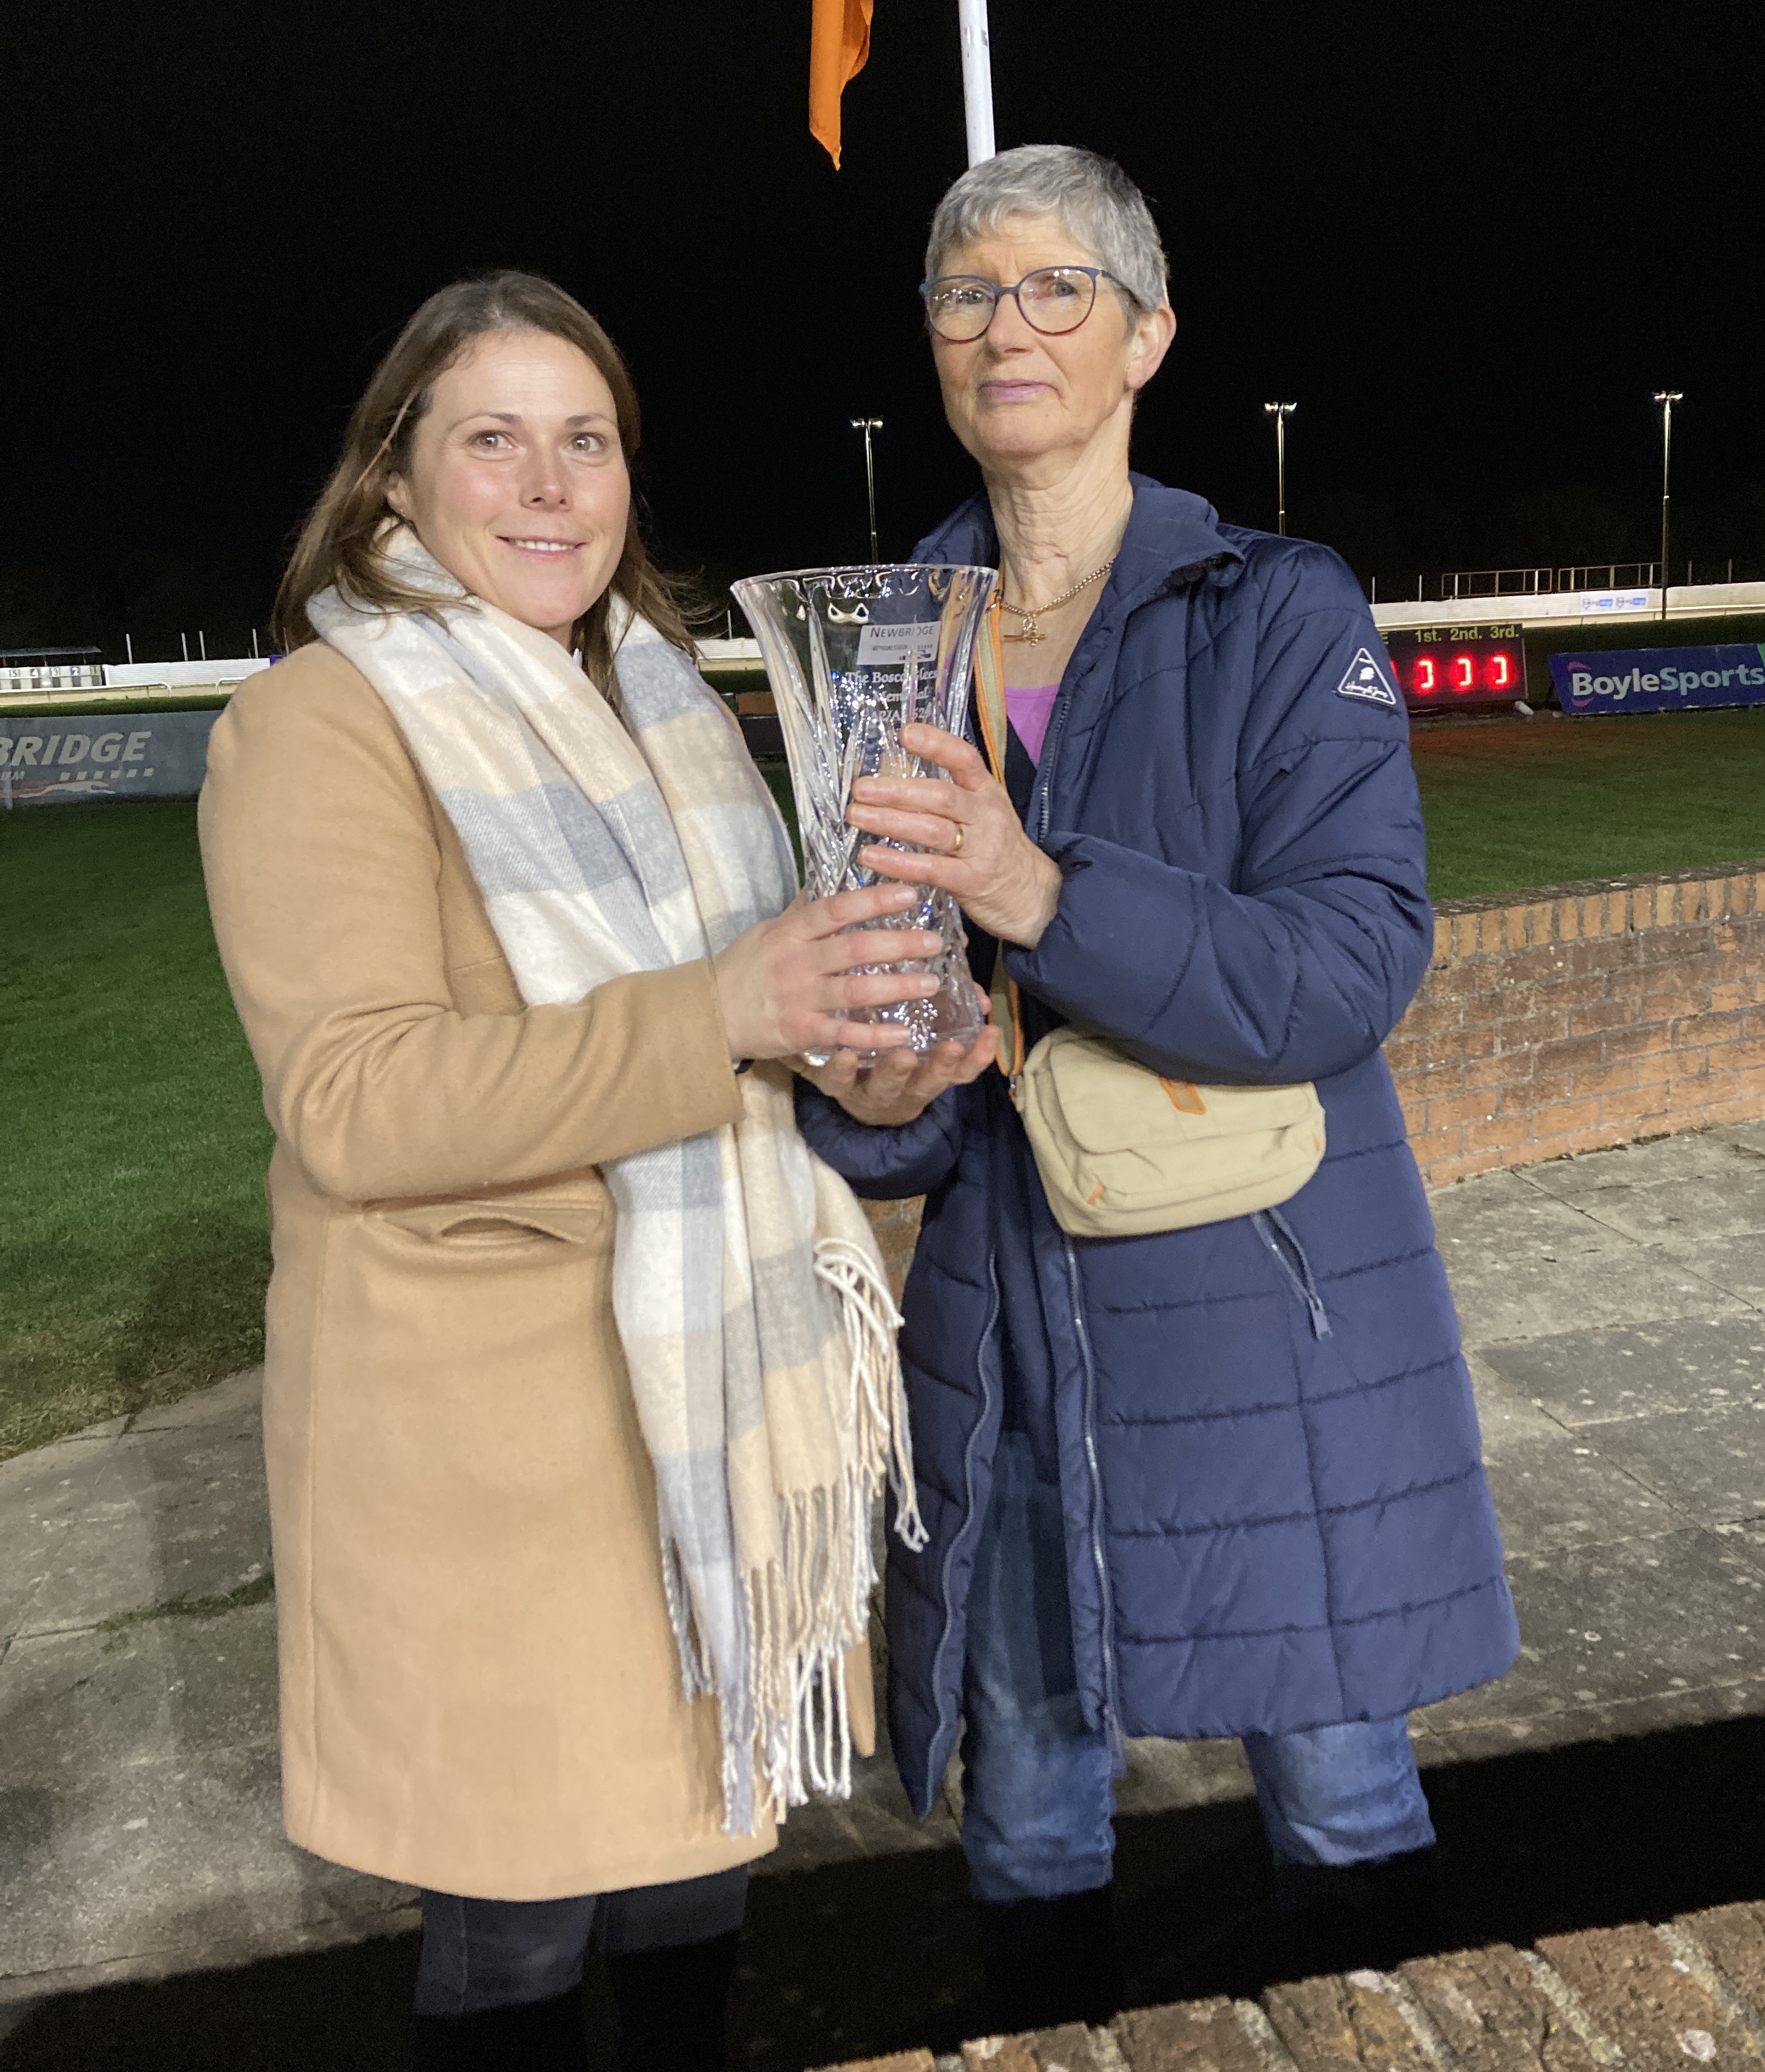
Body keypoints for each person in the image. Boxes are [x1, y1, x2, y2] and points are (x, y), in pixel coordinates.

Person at [198, 271, 972, 2072]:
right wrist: (726, 1002)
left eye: (587, 439)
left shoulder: (666, 712)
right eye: (493, 439)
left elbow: (747, 1032)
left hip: (699, 1399)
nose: (549, 483)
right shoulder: (322, 722)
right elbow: (358, 1097)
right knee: (518, 1932)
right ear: (394, 479)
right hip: (489, 1452)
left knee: (698, 1882)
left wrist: (868, 1041)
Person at [795, 146, 1519, 2026]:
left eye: (1055, 289)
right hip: (1008, 1333)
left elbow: (1352, 964)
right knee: (1027, 1835)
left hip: (1266, 1323)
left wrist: (1039, 894)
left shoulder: (1273, 607)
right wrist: (885, 1070)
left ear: (1146, 337)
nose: (1004, 325)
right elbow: (888, 1084)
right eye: (966, 294)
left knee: (1341, 1805)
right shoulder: (888, 651)